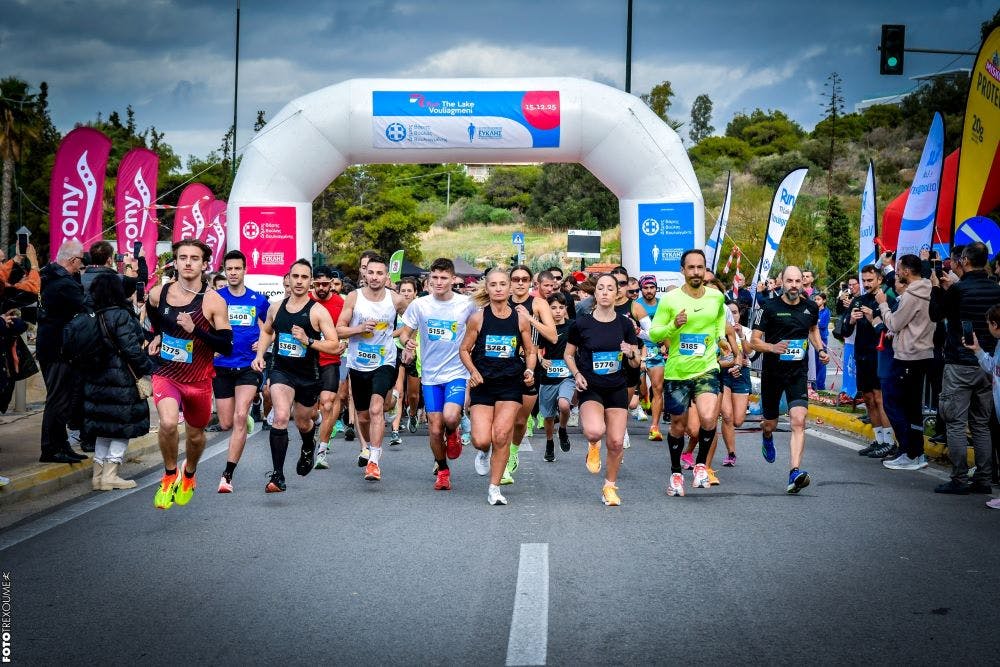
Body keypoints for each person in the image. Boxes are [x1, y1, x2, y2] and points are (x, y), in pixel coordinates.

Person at [145, 239, 233, 509]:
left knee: (195, 436)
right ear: (175, 262)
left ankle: (189, 473)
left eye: (194, 258)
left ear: (205, 264)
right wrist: (156, 335)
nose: (187, 263)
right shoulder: (160, 293)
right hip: (167, 372)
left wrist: (197, 331)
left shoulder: (213, 301)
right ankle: (170, 474)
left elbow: (226, 346)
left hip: (198, 380)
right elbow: (151, 314)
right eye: (182, 257)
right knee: (169, 423)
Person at [253, 259, 340, 492]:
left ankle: (308, 445)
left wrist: (308, 340)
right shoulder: (276, 307)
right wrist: (260, 354)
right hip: (281, 371)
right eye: (295, 277)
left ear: (310, 282)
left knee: (303, 421)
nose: (299, 281)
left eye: (304, 277)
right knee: (281, 417)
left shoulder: (317, 311)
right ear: (288, 280)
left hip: (308, 376)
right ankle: (277, 476)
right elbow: (267, 331)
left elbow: (334, 345)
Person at [648, 250, 728, 496]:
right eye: (691, 267)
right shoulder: (670, 299)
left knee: (707, 418)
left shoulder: (716, 298)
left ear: (705, 270)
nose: (696, 272)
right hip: (677, 372)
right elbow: (654, 334)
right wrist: (674, 325)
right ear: (682, 270)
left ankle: (701, 466)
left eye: (700, 267)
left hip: (706, 367)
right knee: (678, 427)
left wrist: (721, 339)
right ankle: (675, 474)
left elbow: (718, 321)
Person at [750, 266, 829, 493]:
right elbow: (754, 340)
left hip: (797, 373)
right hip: (773, 374)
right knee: (770, 424)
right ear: (781, 282)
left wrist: (821, 349)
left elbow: (813, 329)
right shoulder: (768, 307)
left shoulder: (811, 307)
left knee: (798, 421)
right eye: (790, 281)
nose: (794, 285)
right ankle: (766, 437)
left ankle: (794, 472)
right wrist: (771, 347)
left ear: (803, 283)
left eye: (798, 281)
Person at [399, 259, 477, 488]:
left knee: (450, 417)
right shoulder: (420, 305)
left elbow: (481, 325)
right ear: (429, 280)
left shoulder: (467, 304)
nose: (439, 282)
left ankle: (453, 432)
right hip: (431, 375)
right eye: (435, 278)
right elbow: (405, 333)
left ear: (453, 279)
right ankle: (442, 470)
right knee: (434, 428)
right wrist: (408, 343)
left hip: (456, 372)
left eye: (444, 278)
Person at [930, 242, 1000, 494]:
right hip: (988, 363)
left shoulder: (959, 290)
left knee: (956, 422)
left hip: (960, 363)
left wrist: (938, 288)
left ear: (966, 261)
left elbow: (936, 314)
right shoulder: (996, 288)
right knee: (981, 423)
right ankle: (983, 479)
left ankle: (959, 478)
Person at [564, 274, 641, 506]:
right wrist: (577, 374)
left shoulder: (625, 324)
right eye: (601, 288)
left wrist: (631, 353)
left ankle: (609, 487)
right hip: (591, 386)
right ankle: (593, 445)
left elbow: (636, 362)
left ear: (617, 293)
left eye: (610, 288)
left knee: (617, 442)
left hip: (616, 386)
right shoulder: (582, 323)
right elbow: (568, 354)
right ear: (595, 293)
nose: (605, 292)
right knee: (595, 432)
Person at [461, 268, 535, 504]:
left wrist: (530, 370)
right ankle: (483, 453)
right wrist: (473, 372)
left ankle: (494, 488)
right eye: (493, 284)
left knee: (502, 435)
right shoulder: (478, 318)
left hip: (510, 383)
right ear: (488, 288)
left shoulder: (520, 318)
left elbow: (530, 350)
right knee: (482, 439)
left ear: (510, 287)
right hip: (484, 383)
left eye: (503, 284)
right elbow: (464, 349)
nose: (499, 288)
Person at [337, 253, 407, 482]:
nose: (375, 277)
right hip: (358, 363)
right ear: (364, 273)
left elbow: (412, 321)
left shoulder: (395, 299)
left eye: (380, 273)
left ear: (387, 276)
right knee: (363, 416)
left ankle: (374, 461)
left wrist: (407, 341)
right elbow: (339, 329)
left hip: (385, 361)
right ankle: (368, 446)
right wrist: (358, 329)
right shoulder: (353, 297)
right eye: (371, 272)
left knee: (377, 408)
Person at [84, 273, 154, 490]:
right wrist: (147, 368)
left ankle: (98, 477)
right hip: (121, 378)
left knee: (105, 427)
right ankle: (111, 475)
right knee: (122, 426)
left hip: (96, 377)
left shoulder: (92, 315)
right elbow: (131, 349)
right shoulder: (121, 315)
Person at [213, 250, 270, 492]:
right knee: (226, 423)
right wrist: (211, 346)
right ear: (225, 271)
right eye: (230, 269)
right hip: (222, 366)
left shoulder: (259, 300)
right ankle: (242, 415)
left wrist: (263, 346)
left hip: (248, 366)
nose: (234, 273)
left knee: (237, 417)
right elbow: (205, 326)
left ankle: (227, 475)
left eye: (238, 268)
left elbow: (270, 328)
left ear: (245, 270)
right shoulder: (215, 298)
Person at [877, 254, 934, 471]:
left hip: (908, 356)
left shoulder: (912, 294)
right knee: (912, 407)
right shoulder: (929, 288)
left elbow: (894, 323)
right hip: (922, 353)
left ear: (908, 271)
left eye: (899, 269)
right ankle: (916, 453)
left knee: (892, 402)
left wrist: (883, 305)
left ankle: (908, 451)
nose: (897, 272)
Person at [37, 238, 89, 464]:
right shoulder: (64, 284)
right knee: (58, 400)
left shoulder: (47, 275)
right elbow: (84, 304)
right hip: (59, 348)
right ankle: (50, 448)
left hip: (51, 345)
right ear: (73, 259)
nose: (81, 265)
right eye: (80, 261)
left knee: (61, 399)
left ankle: (61, 444)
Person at [505, 265, 558, 485]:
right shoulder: (500, 301)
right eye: (515, 279)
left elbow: (553, 336)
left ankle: (513, 452)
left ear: (531, 283)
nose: (519, 283)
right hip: (503, 365)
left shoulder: (538, 304)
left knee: (519, 421)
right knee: (502, 419)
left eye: (524, 279)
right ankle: (502, 460)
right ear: (509, 282)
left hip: (529, 363)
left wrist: (530, 318)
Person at [842, 266, 895, 458]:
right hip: (861, 355)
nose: (866, 284)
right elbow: (844, 331)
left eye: (870, 280)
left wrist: (873, 317)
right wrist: (851, 321)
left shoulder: (885, 300)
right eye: (864, 280)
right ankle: (879, 440)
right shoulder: (858, 300)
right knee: (868, 399)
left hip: (879, 355)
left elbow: (890, 330)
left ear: (879, 280)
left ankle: (889, 442)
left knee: (879, 398)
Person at [310, 265, 347, 469]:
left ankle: (322, 451)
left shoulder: (339, 303)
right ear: (313, 283)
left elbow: (346, 326)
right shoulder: (306, 301)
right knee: (309, 412)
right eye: (319, 284)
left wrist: (345, 342)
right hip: (307, 361)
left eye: (326, 284)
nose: (323, 287)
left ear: (332, 284)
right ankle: (314, 425)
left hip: (330, 359)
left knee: (328, 403)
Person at [964, 304, 1000, 508]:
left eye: (988, 324)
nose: (987, 328)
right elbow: (991, 368)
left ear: (995, 324)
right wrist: (977, 349)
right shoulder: (998, 344)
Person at [537, 291, 575, 461]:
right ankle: (550, 442)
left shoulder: (573, 326)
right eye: (553, 308)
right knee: (548, 416)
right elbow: (535, 348)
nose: (558, 311)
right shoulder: (542, 327)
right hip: (548, 377)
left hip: (567, 376)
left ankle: (563, 429)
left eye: (561, 307)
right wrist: (541, 359)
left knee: (564, 405)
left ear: (566, 308)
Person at [720, 300, 752, 467]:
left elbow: (750, 353)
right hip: (723, 374)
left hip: (741, 375)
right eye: (729, 312)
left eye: (735, 312)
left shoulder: (746, 331)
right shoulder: (718, 330)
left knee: (738, 421)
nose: (732, 315)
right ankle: (731, 452)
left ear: (739, 314)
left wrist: (740, 335)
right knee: (727, 416)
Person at [389, 276, 421, 446]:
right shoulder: (394, 309)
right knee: (399, 391)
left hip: (416, 351)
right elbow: (390, 328)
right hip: (397, 350)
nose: (406, 294)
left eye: (410, 291)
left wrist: (394, 333)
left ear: (415, 293)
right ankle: (394, 431)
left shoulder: (420, 308)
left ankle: (413, 413)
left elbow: (409, 328)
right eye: (403, 291)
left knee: (414, 394)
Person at [635, 275, 665, 440]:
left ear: (656, 288)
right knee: (639, 388)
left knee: (657, 388)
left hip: (657, 351)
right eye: (645, 288)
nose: (649, 291)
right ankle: (642, 398)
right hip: (639, 349)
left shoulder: (662, 304)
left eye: (652, 287)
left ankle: (655, 426)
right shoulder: (636, 305)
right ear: (641, 289)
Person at [813, 293, 830, 391]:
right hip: (813, 339)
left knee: (821, 362)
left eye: (818, 299)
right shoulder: (814, 310)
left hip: (822, 339)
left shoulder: (826, 311)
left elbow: (822, 324)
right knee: (814, 363)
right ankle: (813, 385)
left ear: (824, 300)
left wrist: (816, 322)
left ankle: (820, 386)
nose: (816, 301)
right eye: (815, 299)